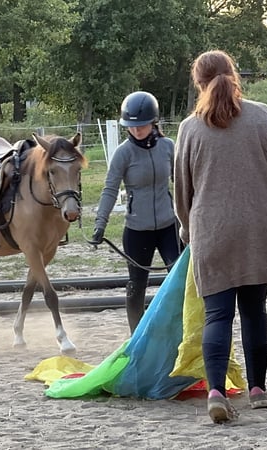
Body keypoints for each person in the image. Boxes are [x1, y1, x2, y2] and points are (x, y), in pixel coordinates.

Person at [173, 50, 267, 424]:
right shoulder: (262, 115)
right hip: (258, 230)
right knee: (254, 311)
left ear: (199, 84)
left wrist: (189, 229)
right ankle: (258, 390)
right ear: (235, 76)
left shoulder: (189, 129)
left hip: (212, 233)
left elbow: (182, 191)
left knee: (217, 315)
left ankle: (216, 392)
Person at [91, 91, 182, 334]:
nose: (136, 130)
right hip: (137, 230)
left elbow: (183, 184)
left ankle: (178, 333)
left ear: (154, 121)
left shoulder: (168, 147)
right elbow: (110, 189)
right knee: (136, 285)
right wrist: (100, 223)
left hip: (169, 226)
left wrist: (192, 216)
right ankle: (136, 337)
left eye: (141, 125)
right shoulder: (123, 153)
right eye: (131, 126)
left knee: (178, 280)